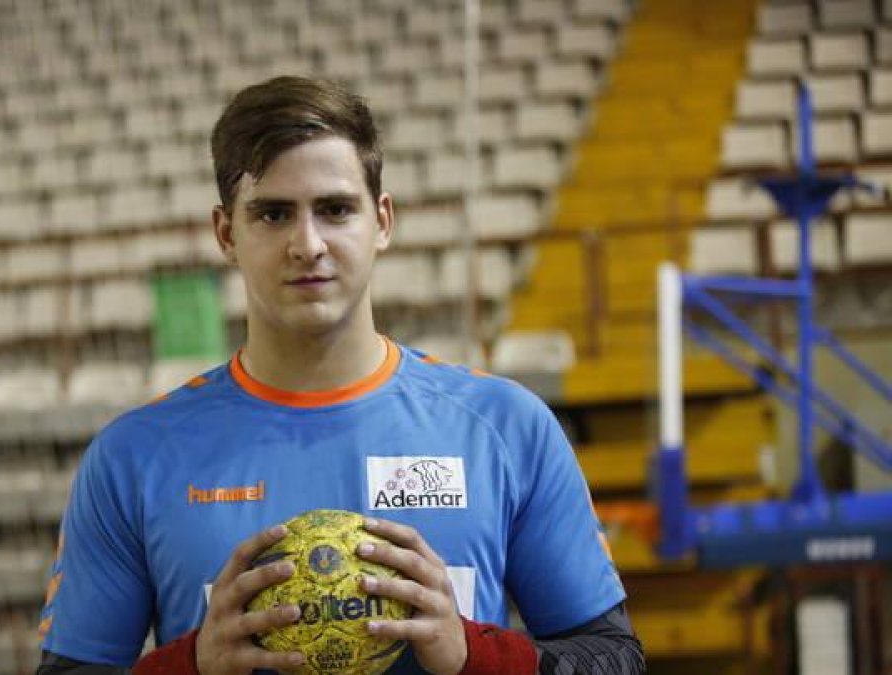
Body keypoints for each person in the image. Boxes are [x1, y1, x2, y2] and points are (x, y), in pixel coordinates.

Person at [36, 76, 645, 675]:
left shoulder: (506, 428)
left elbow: (614, 659)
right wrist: (192, 666)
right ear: (226, 233)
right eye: (273, 214)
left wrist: (473, 655)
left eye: (334, 209)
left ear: (381, 220)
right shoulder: (133, 457)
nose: (308, 243)